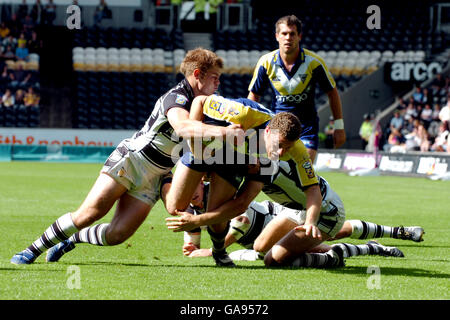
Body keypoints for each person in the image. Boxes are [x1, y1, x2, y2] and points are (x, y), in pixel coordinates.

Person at [10, 48, 242, 265]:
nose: (218, 82)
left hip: (157, 175)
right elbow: (183, 128)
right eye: (214, 77)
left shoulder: (207, 105)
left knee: (117, 234)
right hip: (132, 160)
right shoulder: (177, 97)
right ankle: (32, 250)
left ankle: (73, 239)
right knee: (90, 213)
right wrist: (225, 132)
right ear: (197, 74)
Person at [165, 94, 328, 267]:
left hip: (232, 157)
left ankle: (219, 252)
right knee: (174, 207)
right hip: (204, 146)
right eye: (279, 145)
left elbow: (313, 189)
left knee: (217, 214)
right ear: (267, 132)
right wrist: (197, 148)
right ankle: (163, 177)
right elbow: (200, 101)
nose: (281, 153)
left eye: (287, 147)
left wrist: (310, 221)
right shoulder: (242, 113)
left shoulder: (295, 150)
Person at [247, 15, 345, 162]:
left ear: (299, 36)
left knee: (304, 175)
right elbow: (254, 96)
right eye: (284, 33)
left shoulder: (314, 62)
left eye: (292, 34)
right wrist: (250, 126)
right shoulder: (266, 62)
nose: (288, 38)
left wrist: (339, 126)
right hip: (276, 127)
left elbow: (332, 92)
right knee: (270, 175)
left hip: (306, 128)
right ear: (277, 36)